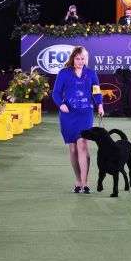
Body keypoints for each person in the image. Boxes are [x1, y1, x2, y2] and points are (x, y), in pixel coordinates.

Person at [51, 46, 104, 194]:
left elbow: (97, 92)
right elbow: (55, 93)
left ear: (86, 59)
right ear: (73, 59)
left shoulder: (91, 73)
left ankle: (85, 183)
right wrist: (61, 105)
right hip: (68, 115)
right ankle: (77, 180)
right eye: (78, 58)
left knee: (82, 144)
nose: (80, 62)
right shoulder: (63, 73)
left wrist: (100, 106)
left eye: (83, 59)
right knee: (73, 148)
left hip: (85, 113)